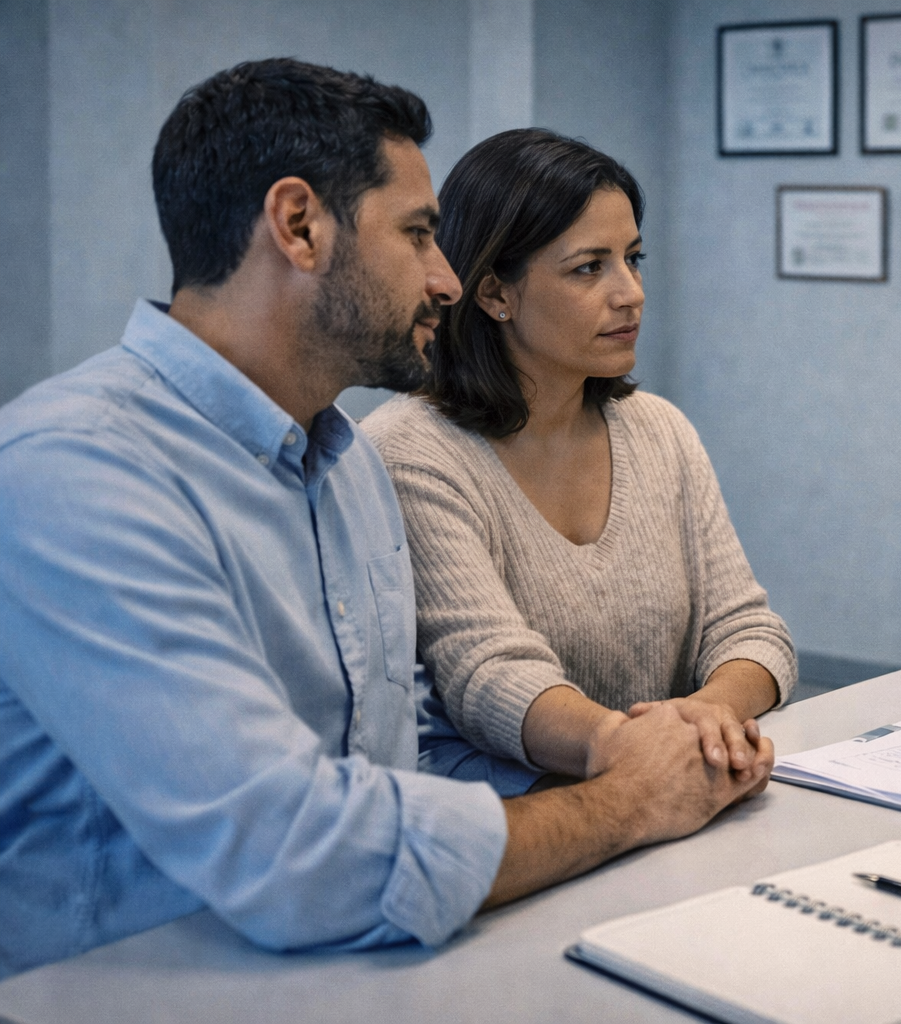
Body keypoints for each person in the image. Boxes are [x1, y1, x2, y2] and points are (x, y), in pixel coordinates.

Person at [0, 59, 771, 981]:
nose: (449, 281)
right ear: (299, 227)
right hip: (140, 989)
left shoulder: (345, 466)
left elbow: (397, 766)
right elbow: (298, 853)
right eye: (417, 235)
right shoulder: (76, 473)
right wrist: (629, 797)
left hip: (364, 963)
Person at [361, 130, 796, 783]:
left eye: (634, 258)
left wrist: (707, 715)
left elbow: (749, 629)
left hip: (671, 782)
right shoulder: (411, 450)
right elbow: (493, 679)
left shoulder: (660, 430)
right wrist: (641, 749)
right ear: (494, 295)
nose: (631, 293)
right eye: (589, 267)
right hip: (514, 818)